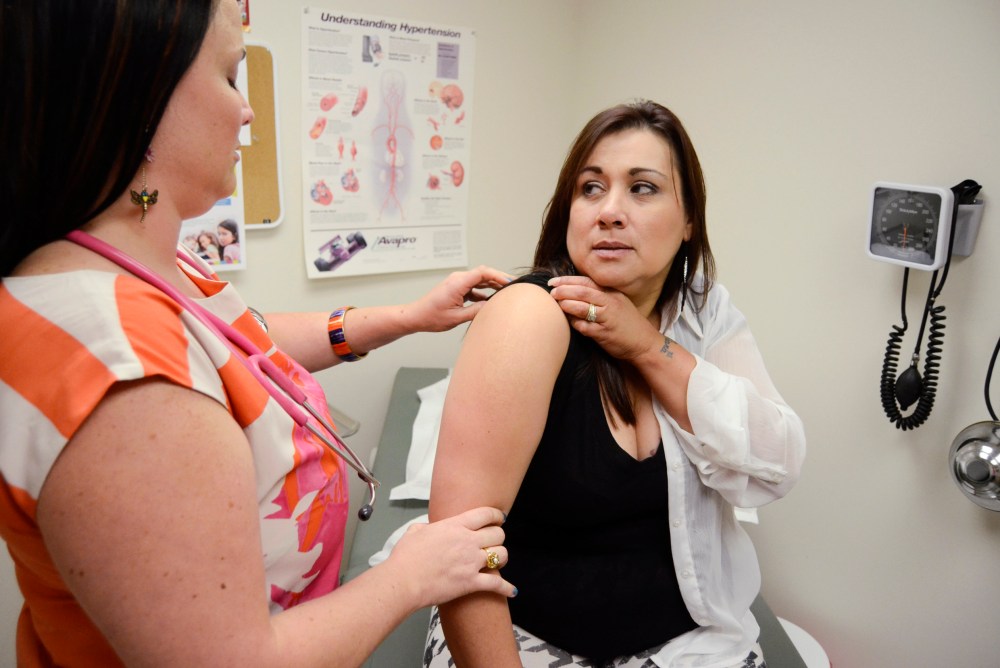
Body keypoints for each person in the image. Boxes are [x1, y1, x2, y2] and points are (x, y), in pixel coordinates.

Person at [0, 1, 516, 666]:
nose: (247, 113)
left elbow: (239, 340)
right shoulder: (124, 378)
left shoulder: (130, 261)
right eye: (230, 75)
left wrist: (404, 318)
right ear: (143, 93)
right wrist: (409, 575)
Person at [425, 100, 807, 668]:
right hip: (529, 641)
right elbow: (457, 549)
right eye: (591, 188)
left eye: (643, 188)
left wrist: (645, 345)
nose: (610, 211)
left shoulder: (703, 312)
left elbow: (778, 461)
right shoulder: (530, 316)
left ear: (689, 221)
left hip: (693, 641)